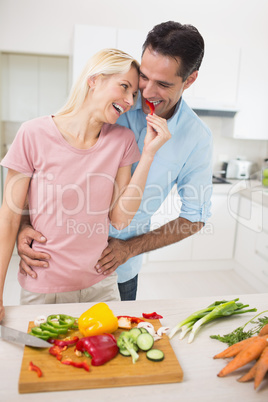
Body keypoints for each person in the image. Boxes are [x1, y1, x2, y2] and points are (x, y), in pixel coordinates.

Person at [17, 21, 213, 301]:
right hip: (53, 265)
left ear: (189, 80)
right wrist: (24, 226)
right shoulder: (114, 102)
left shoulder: (197, 139)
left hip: (116, 272)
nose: (145, 93)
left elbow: (194, 219)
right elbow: (47, 166)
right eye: (144, 77)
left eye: (163, 84)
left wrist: (129, 248)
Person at [0, 48, 171, 321]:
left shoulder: (123, 140)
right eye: (124, 87)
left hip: (101, 287)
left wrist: (149, 154)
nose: (129, 100)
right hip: (45, 289)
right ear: (94, 80)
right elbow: (8, 218)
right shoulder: (33, 133)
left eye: (134, 95)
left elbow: (120, 218)